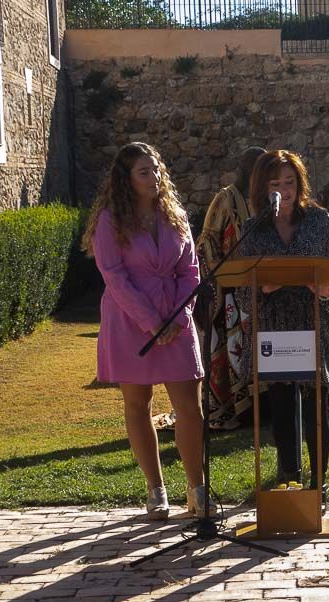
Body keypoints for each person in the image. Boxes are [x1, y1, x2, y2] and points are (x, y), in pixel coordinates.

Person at [81, 141, 207, 520]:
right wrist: (152, 320)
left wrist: (180, 316)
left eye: (155, 169)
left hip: (177, 317)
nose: (153, 178)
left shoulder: (175, 215)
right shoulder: (110, 218)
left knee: (189, 407)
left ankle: (197, 488)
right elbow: (113, 275)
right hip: (129, 318)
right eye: (143, 172)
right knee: (138, 405)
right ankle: (156, 490)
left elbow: (191, 271)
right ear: (126, 179)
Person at [236, 150, 329, 500]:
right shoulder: (251, 229)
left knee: (317, 407)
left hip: (313, 323)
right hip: (275, 327)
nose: (284, 190)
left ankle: (319, 483)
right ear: (261, 188)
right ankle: (289, 477)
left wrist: (327, 290)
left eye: (290, 182)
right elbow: (241, 294)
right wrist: (261, 289)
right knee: (281, 406)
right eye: (275, 183)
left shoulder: (319, 220)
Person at [193, 145, 266, 431]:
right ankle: (229, 407)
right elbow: (207, 239)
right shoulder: (226, 198)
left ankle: (256, 407)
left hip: (257, 288)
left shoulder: (262, 199)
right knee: (231, 347)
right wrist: (220, 274)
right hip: (230, 289)